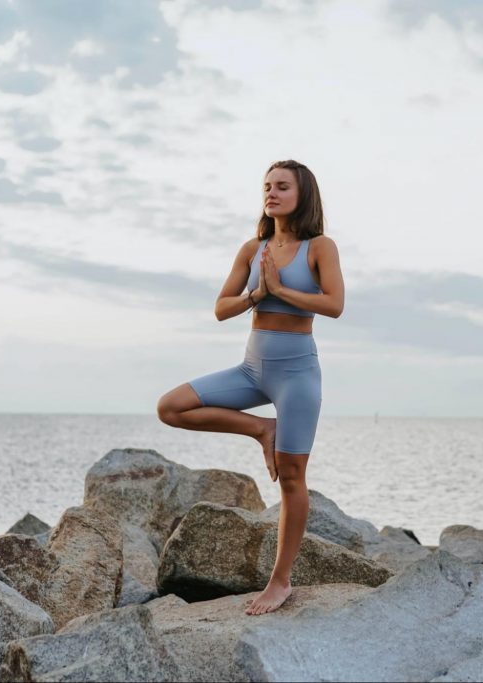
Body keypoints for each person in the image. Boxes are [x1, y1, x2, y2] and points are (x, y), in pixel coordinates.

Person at [156, 160, 344, 615]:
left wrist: (281, 287)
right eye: (267, 186)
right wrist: (257, 295)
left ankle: (280, 582)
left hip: (297, 375)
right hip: (251, 370)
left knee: (293, 478)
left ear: (303, 195)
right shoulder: (253, 248)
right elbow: (222, 308)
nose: (271, 193)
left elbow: (334, 305)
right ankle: (260, 430)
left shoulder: (319, 247)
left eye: (282, 186)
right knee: (171, 406)